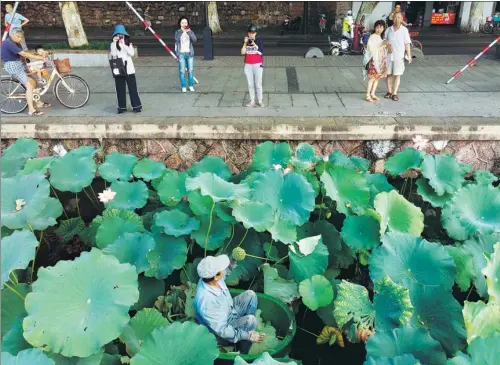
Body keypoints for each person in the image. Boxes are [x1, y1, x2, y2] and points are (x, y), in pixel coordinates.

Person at [194, 254, 265, 353]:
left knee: (250, 295)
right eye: (222, 268)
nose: (224, 269)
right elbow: (223, 330)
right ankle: (244, 349)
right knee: (251, 320)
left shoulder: (208, 278)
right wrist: (247, 335)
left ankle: (245, 329)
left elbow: (223, 274)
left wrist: (232, 262)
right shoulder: (206, 302)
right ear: (216, 276)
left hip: (229, 311)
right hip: (221, 333)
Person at [1, 28, 50, 116]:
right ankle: (31, 110)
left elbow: (24, 54)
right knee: (29, 86)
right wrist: (39, 58)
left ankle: (37, 102)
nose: (20, 39)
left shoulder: (16, 43)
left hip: (19, 64)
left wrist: (37, 56)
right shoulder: (8, 43)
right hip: (13, 66)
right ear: (12, 35)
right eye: (18, 37)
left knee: (33, 81)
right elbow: (23, 54)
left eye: (21, 37)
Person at [110, 24, 142, 114]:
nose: (120, 36)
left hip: (129, 69)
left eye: (121, 35)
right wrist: (114, 43)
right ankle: (121, 107)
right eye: (117, 35)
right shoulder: (113, 44)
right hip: (118, 68)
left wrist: (123, 45)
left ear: (125, 35)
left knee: (133, 88)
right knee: (120, 88)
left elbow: (131, 53)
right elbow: (113, 54)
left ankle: (136, 106)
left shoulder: (129, 44)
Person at [385, 13, 411, 102]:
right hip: (388, 56)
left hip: (399, 56)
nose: (396, 19)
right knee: (388, 74)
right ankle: (389, 92)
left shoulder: (404, 30)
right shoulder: (388, 30)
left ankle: (394, 93)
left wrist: (409, 55)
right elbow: (384, 41)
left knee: (397, 74)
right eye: (395, 18)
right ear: (392, 19)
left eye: (399, 18)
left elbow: (407, 43)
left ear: (401, 19)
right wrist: (387, 46)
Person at [364, 20, 389, 102]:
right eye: (377, 27)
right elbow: (371, 49)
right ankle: (368, 94)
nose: (379, 29)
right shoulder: (372, 37)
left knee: (377, 78)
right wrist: (382, 44)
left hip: (380, 61)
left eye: (381, 28)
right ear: (375, 28)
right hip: (374, 61)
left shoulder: (380, 37)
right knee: (372, 79)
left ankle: (373, 93)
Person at [241, 24, 265, 107]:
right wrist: (245, 43)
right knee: (250, 84)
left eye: (253, 33)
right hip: (248, 65)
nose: (251, 34)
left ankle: (260, 100)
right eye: (250, 33)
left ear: (255, 33)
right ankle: (252, 100)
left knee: (258, 83)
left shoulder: (259, 41)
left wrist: (253, 43)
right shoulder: (246, 41)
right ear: (248, 33)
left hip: (257, 64)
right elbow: (242, 52)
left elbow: (261, 52)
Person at [174, 16, 197, 92]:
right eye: (183, 22)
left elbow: (194, 40)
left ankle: (191, 85)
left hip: (189, 54)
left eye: (186, 22)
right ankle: (183, 86)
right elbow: (176, 39)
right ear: (180, 23)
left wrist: (189, 32)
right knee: (182, 71)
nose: (184, 24)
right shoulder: (177, 32)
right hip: (181, 54)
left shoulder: (190, 31)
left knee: (190, 70)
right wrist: (182, 31)